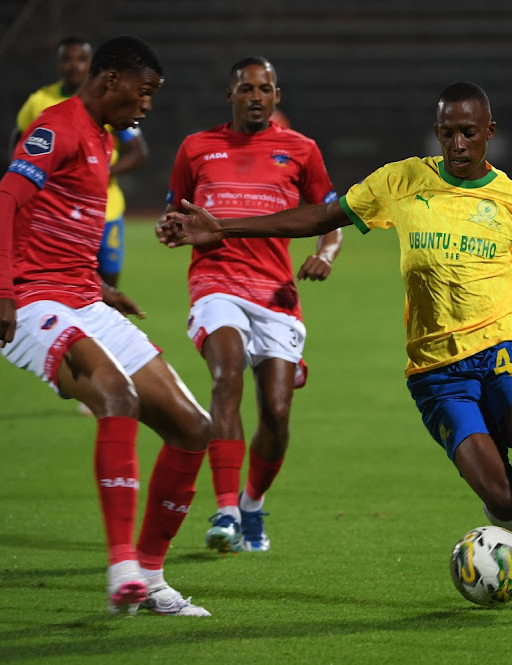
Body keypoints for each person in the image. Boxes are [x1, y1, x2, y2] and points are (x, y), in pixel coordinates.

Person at [157, 81, 512, 621]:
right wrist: (221, 228)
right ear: (436, 132)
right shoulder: (401, 180)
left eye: (468, 132)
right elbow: (320, 218)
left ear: (490, 132)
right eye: (447, 133)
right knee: (499, 495)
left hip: (505, 341)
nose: (457, 143)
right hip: (436, 367)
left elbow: (504, 267)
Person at [0, 35, 211, 618]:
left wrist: (103, 291)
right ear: (111, 81)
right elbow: (2, 204)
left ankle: (153, 577)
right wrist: (4, 292)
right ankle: (121, 570)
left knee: (192, 427)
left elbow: (61, 224)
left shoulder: (102, 138)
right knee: (117, 396)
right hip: (34, 303)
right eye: (145, 93)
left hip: (84, 300)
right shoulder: (56, 127)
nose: (148, 106)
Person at [163, 56, 342, 554]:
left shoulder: (301, 150)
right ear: (231, 96)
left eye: (265, 88)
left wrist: (325, 253)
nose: (256, 96)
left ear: (277, 96)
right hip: (215, 282)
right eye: (246, 88)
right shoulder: (197, 148)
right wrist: (169, 227)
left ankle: (251, 502)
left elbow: (332, 215)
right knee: (226, 376)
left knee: (278, 412)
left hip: (275, 292)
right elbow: (175, 212)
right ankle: (224, 512)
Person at [10, 35, 148, 288]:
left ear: (91, 64)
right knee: (61, 285)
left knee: (108, 289)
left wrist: (100, 171)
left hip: (105, 211)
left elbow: (138, 152)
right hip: (56, 213)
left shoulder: (108, 101)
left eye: (81, 59)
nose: (74, 66)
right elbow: (19, 141)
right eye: (66, 59)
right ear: (58, 64)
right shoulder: (39, 101)